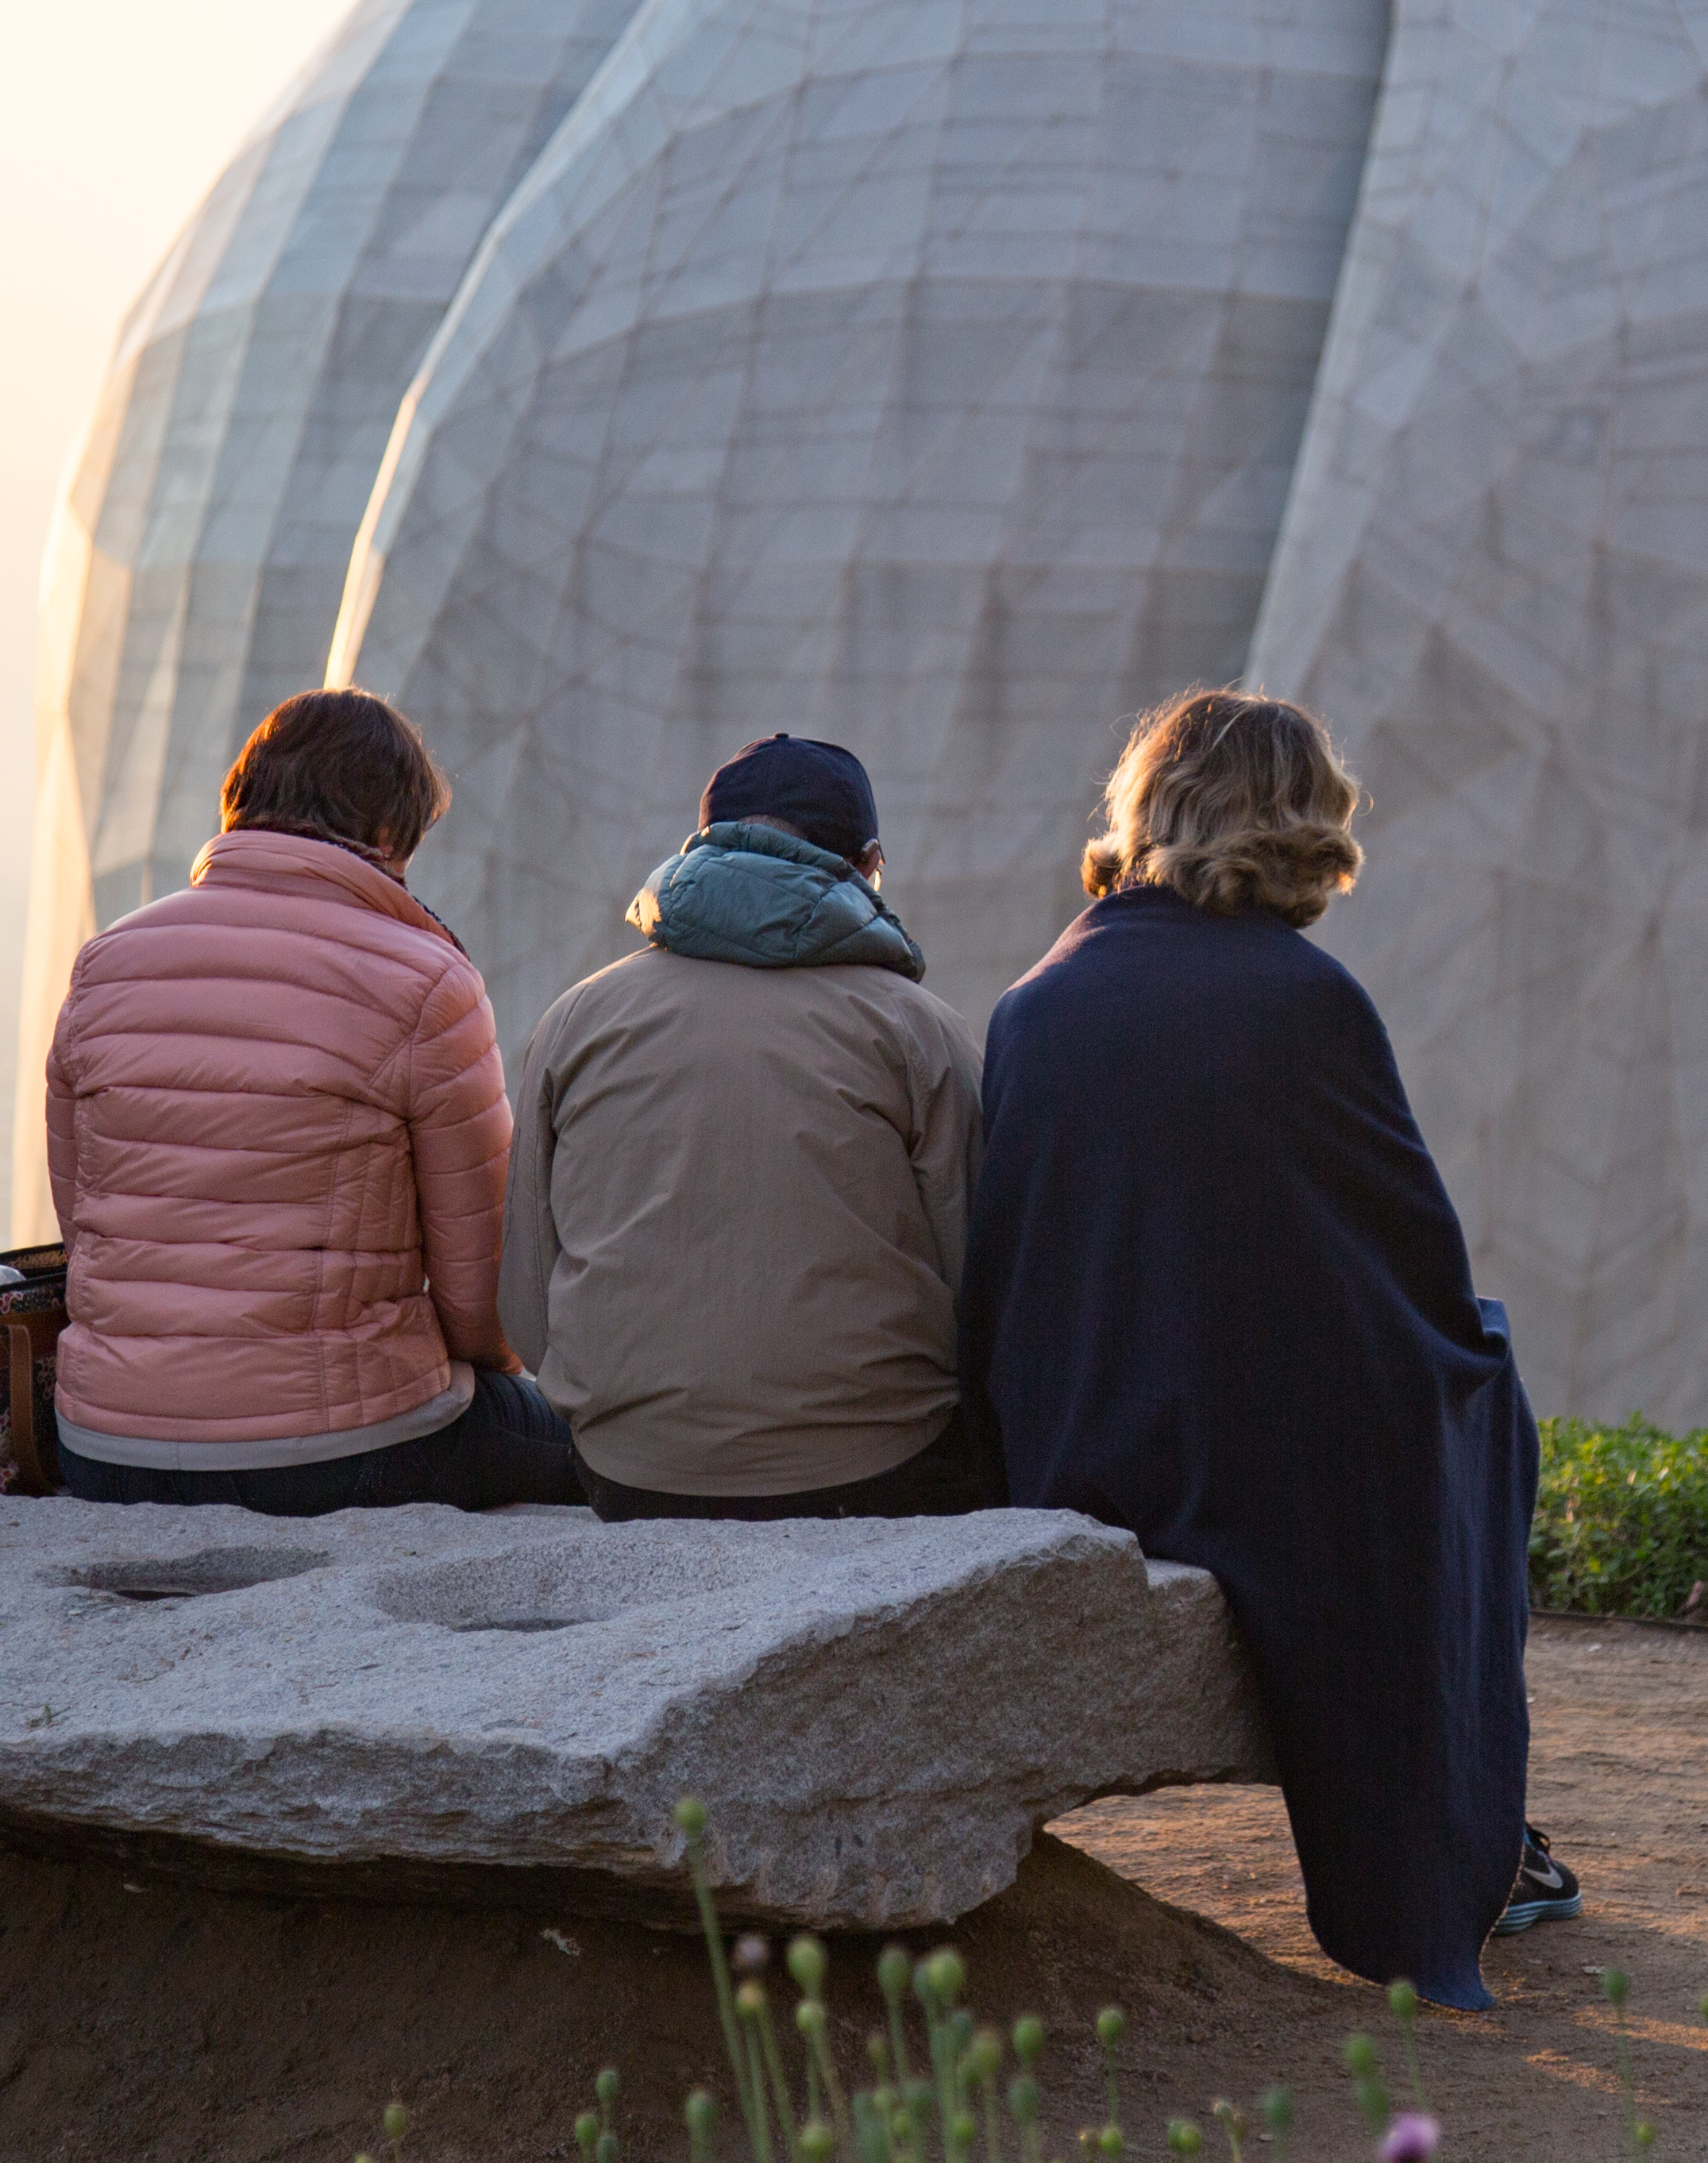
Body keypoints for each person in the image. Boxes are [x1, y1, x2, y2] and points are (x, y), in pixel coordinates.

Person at [960, 688, 1567, 2013]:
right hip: (1239, 1460)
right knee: (1480, 1390)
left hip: (1072, 1440)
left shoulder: (1036, 998)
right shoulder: (1305, 1000)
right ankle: (1469, 1841)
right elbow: (1408, 1265)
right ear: (1298, 826)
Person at [42, 687, 574, 1513]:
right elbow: (480, 1293)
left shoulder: (105, 962)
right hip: (333, 1454)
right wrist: (489, 1369)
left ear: (240, 802)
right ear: (391, 833)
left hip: (106, 1448)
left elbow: (88, 1222)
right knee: (600, 1444)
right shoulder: (426, 982)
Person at [501, 735, 992, 1521]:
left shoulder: (575, 1021)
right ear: (868, 864)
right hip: (877, 1469)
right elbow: (982, 1290)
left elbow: (527, 1308)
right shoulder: (918, 1029)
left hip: (630, 1475)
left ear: (700, 850)